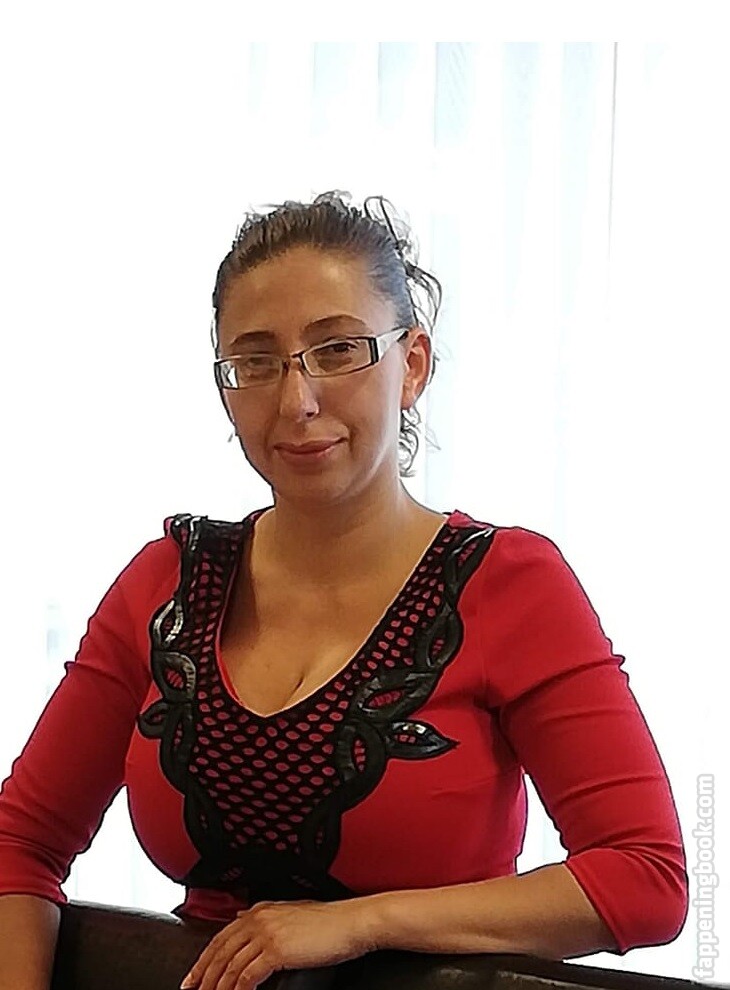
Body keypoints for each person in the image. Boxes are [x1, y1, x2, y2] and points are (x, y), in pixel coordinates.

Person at [0, 192, 688, 990]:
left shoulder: (510, 586)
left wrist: (361, 924)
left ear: (413, 365)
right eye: (256, 361)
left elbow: (645, 878)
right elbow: (22, 843)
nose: (297, 400)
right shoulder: (166, 584)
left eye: (337, 350)